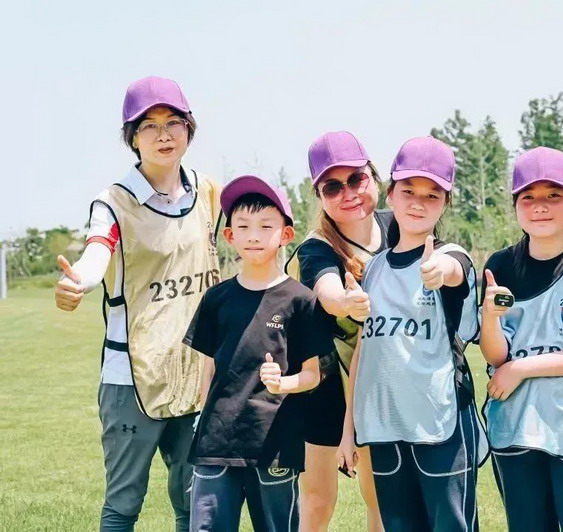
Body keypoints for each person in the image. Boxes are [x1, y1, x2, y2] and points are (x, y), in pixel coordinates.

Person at [54, 75, 220, 531]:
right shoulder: (113, 201)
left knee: (196, 504)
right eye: (149, 125)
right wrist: (79, 281)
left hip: (196, 372)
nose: (163, 135)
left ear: (189, 128)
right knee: (124, 503)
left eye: (173, 122)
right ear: (132, 137)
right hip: (131, 376)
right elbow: (97, 250)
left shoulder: (208, 190)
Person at [338, 136, 487, 531]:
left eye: (432, 195)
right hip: (386, 430)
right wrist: (348, 430)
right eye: (408, 191)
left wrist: (438, 270)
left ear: (445, 203)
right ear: (390, 194)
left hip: (441, 426)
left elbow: (452, 270)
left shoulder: (451, 255)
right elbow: (364, 354)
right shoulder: (374, 269)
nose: (419, 202)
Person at [479, 147, 563, 532]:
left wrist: (522, 368)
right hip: (514, 425)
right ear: (515, 207)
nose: (540, 206)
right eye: (528, 197)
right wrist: (489, 318)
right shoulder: (499, 266)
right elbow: (495, 355)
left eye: (553, 195)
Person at [184, 175, 329, 531]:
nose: (254, 235)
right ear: (229, 235)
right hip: (216, 442)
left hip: (275, 442)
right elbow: (208, 372)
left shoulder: (301, 300)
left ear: (286, 234)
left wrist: (283, 383)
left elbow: (313, 375)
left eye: (266, 226)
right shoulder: (216, 299)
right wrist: (201, 422)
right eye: (243, 226)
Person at [284, 131, 390, 531]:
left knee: (380, 495)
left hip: (379, 379)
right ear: (319, 195)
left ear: (373, 177)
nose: (348, 194)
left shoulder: (398, 226)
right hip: (324, 380)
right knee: (317, 500)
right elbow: (326, 289)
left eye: (356, 179)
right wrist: (347, 302)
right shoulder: (316, 247)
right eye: (332, 187)